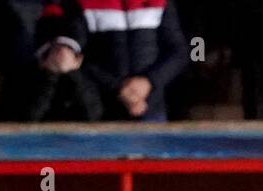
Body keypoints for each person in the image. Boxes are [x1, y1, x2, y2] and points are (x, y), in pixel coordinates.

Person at [55, 0, 188, 121]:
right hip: (101, 111)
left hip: (151, 108)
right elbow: (75, 58)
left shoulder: (160, 2)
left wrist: (148, 82)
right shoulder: (83, 3)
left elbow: (179, 52)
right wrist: (118, 87)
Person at [25, 3, 103, 121]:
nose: (61, 55)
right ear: (42, 59)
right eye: (55, 50)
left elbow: (92, 115)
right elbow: (29, 118)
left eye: (68, 49)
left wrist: (74, 73)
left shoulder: (88, 77)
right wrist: (50, 75)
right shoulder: (27, 77)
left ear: (78, 59)